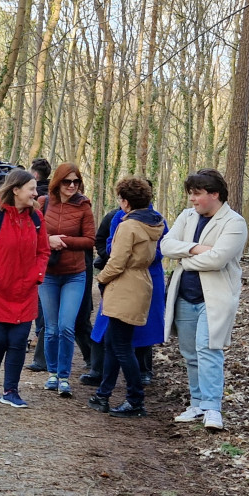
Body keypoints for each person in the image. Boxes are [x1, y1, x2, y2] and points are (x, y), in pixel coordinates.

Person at [160, 169, 248, 432]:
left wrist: (184, 258)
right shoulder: (187, 217)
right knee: (189, 353)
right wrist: (196, 249)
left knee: (209, 349)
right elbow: (166, 245)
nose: (192, 200)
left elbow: (218, 259)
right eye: (190, 194)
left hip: (215, 298)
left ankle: (213, 408)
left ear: (214, 194)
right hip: (184, 296)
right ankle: (197, 403)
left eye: (197, 194)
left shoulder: (234, 222)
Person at [0, 168, 51, 408]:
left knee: (18, 341)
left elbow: (43, 251)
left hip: (25, 292)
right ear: (16, 190)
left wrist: (37, 275)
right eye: (32, 189)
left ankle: (11, 391)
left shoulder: (36, 219)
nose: (36, 194)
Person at [86, 178, 165, 418]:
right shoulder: (154, 222)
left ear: (126, 202)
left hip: (125, 286)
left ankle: (135, 400)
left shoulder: (128, 225)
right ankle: (103, 394)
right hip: (140, 282)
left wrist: (101, 279)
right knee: (113, 341)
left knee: (121, 346)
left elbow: (117, 261)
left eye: (121, 199)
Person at [38, 163, 95, 399]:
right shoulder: (43, 204)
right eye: (67, 181)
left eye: (76, 182)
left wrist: (64, 241)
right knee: (50, 329)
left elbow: (90, 240)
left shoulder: (84, 206)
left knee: (66, 326)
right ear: (57, 182)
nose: (72, 186)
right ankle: (52, 374)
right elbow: (33, 232)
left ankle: (64, 377)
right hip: (49, 274)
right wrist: (48, 239)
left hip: (75, 274)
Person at [80, 207, 120, 386]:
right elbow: (100, 240)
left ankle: (142, 373)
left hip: (128, 280)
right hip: (110, 276)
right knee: (102, 325)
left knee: (127, 330)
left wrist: (103, 276)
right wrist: (106, 256)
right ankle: (97, 370)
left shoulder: (152, 220)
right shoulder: (113, 216)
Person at [25, 157, 53, 371]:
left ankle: (39, 343)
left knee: (44, 309)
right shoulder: (47, 197)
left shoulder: (40, 202)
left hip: (46, 264)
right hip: (43, 263)